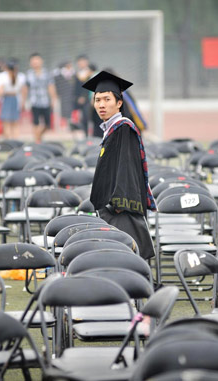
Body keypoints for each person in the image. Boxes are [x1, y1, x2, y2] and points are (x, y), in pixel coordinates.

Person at [83, 71, 156, 261]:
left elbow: (126, 168)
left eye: (107, 99)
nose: (101, 105)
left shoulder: (123, 128)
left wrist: (117, 205)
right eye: (97, 100)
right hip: (111, 209)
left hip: (120, 210)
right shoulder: (111, 129)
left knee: (125, 258)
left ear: (119, 103)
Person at [21, 53, 58, 143]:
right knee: (35, 123)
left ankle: (38, 137)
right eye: (33, 61)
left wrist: (53, 99)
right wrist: (23, 101)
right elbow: (25, 89)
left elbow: (51, 87)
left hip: (45, 101)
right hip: (34, 102)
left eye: (37, 60)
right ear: (30, 63)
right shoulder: (28, 74)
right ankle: (37, 141)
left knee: (48, 124)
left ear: (41, 61)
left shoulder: (47, 73)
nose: (35, 63)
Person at [0, 60, 25, 139]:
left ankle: (8, 140)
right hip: (15, 99)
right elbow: (22, 90)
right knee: (15, 123)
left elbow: (0, 91)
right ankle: (15, 139)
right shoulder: (19, 77)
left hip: (7, 99)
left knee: (6, 123)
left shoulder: (4, 77)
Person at [53, 61, 76, 136]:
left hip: (70, 96)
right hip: (61, 96)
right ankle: (59, 128)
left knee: (70, 111)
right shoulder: (58, 75)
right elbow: (55, 86)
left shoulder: (73, 74)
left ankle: (70, 127)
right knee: (60, 112)